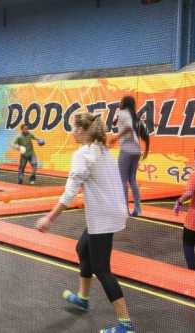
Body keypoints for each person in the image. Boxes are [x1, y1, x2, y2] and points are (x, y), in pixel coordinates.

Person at [36, 113, 133, 333]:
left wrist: (49, 219)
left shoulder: (83, 154)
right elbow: (111, 139)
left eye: (73, 128)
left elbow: (70, 193)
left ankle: (126, 325)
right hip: (111, 211)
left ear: (81, 130)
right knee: (82, 248)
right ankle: (83, 298)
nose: (71, 132)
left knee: (102, 268)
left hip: (103, 216)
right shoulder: (100, 146)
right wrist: (125, 130)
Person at [111, 96, 150, 217]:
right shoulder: (135, 117)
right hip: (136, 150)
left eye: (121, 101)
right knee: (132, 179)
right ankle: (138, 208)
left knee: (122, 180)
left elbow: (127, 127)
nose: (119, 102)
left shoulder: (123, 113)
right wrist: (147, 150)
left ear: (124, 103)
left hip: (127, 148)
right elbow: (145, 135)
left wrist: (116, 138)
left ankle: (125, 209)